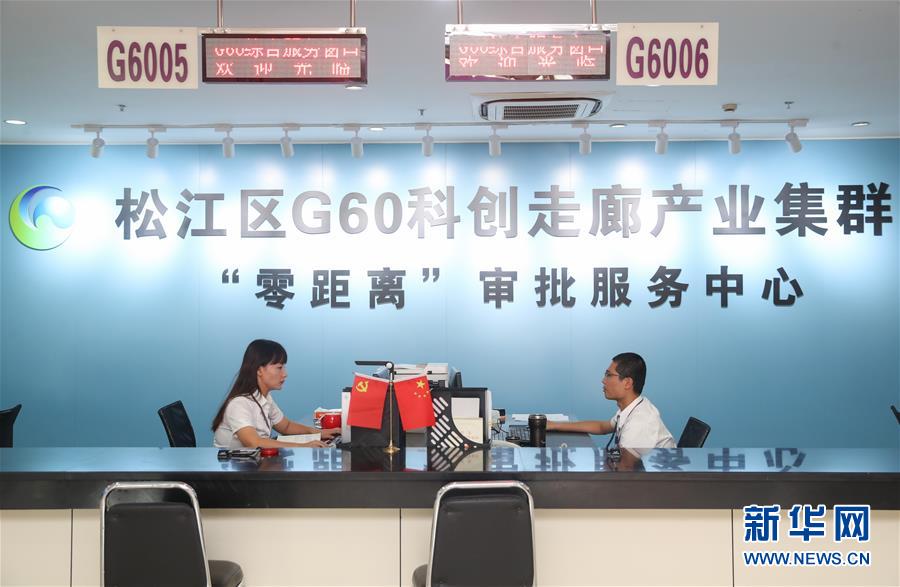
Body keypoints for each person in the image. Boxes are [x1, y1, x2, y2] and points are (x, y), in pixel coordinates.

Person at [212, 339, 340, 449]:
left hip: (251, 465)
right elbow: (253, 442)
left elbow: (286, 427)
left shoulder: (264, 398)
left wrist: (318, 433)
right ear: (259, 370)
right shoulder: (239, 403)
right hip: (231, 469)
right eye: (279, 367)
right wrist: (304, 446)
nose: (285, 374)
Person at [547, 352, 675, 449]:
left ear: (627, 383)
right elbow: (602, 427)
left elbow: (626, 471)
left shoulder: (640, 422)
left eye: (609, 375)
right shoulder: (632, 408)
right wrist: (555, 425)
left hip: (656, 477)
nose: (603, 381)